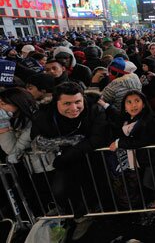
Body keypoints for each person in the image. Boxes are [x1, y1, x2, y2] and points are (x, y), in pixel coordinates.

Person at [30, 82, 108, 240]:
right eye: (67, 103)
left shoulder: (94, 109)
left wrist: (67, 155)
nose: (74, 108)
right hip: (61, 162)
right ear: (56, 102)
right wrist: (65, 143)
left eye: (78, 102)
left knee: (94, 190)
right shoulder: (44, 114)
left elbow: (98, 138)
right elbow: (37, 139)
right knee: (60, 191)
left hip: (90, 159)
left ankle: (87, 217)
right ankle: (75, 216)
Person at [101, 90, 155, 209]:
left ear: (144, 103)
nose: (133, 105)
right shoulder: (128, 119)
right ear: (125, 107)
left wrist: (119, 143)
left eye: (137, 101)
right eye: (129, 102)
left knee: (150, 181)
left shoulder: (150, 120)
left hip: (154, 158)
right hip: (143, 158)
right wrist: (104, 105)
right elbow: (116, 117)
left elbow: (142, 141)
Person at [0, 88, 37, 164]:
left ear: (17, 103)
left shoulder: (34, 120)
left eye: (2, 104)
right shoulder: (14, 118)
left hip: (44, 168)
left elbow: (12, 150)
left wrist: (3, 126)